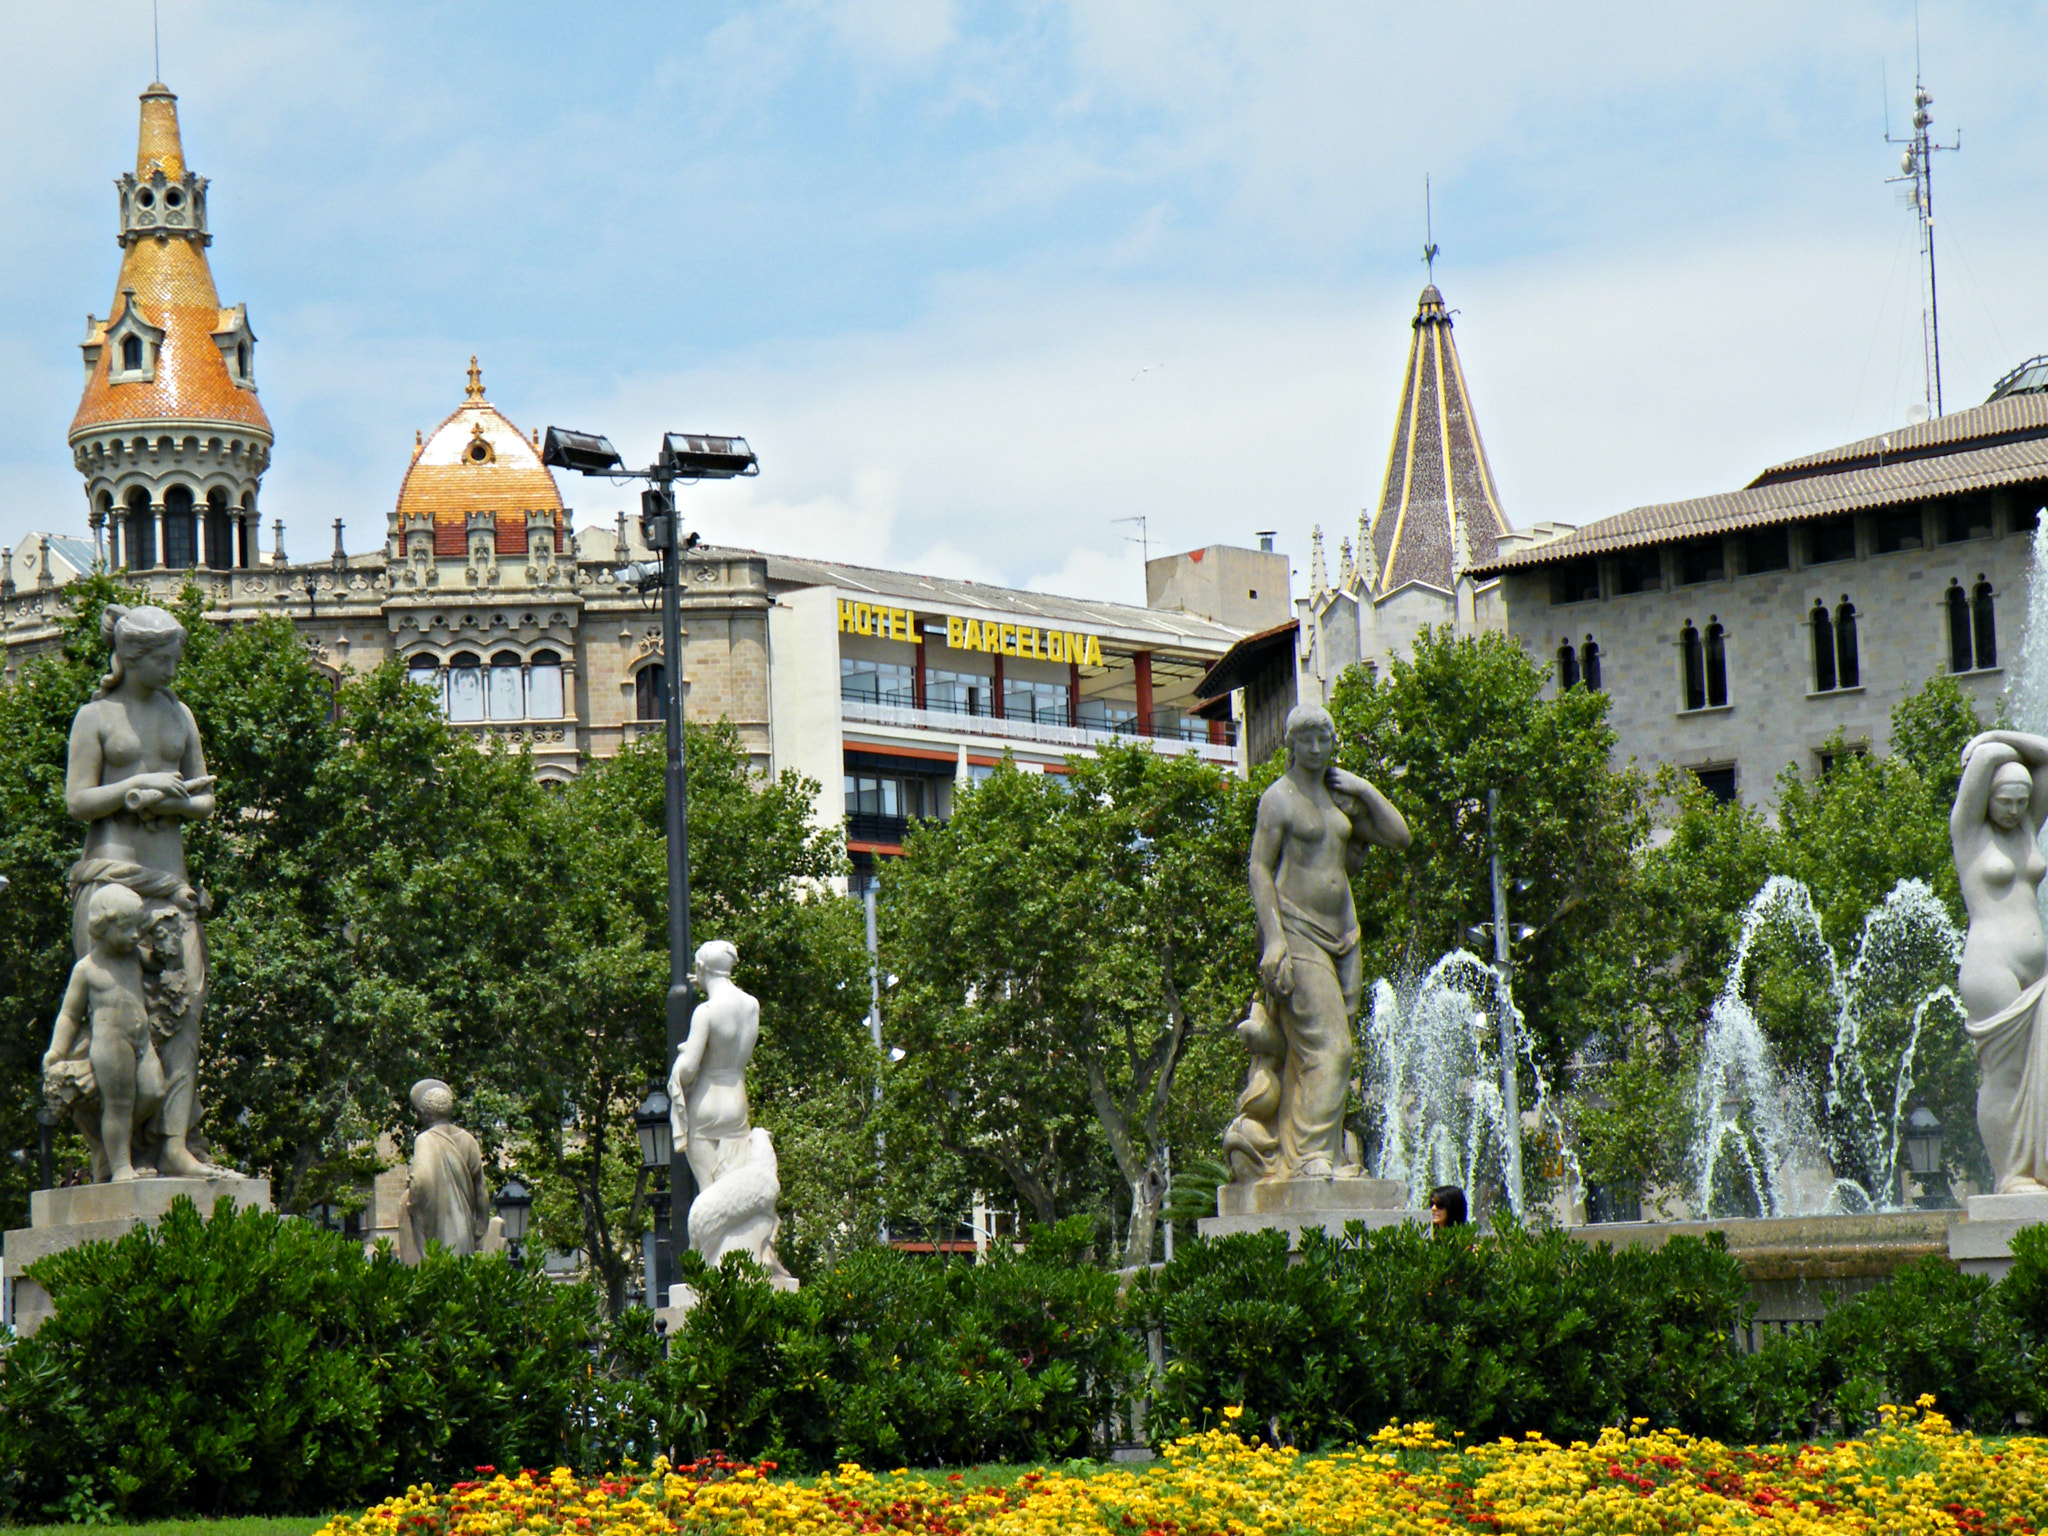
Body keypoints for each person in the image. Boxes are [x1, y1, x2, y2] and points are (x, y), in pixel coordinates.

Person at [64, 604, 230, 1180]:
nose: (172, 669)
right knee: (115, 1016)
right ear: (133, 657)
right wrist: (137, 785)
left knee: (186, 1014)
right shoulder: (96, 716)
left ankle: (176, 1144)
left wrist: (179, 801)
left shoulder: (179, 713)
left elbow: (205, 799)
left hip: (172, 883)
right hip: (111, 880)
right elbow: (77, 802)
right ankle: (116, 1156)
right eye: (163, 659)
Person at [1248, 704, 1410, 1178]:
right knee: (1332, 1048)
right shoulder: (1278, 799)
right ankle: (1311, 1157)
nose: (1316, 749)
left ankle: (1328, 1153)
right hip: (1298, 931)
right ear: (1290, 745)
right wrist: (1273, 939)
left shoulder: (1341, 798)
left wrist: (1364, 788)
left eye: (1324, 739)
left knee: (1326, 1051)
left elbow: (1399, 837)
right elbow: (1259, 867)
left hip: (1345, 936)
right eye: (1306, 740)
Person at [1952, 730, 2048, 1194]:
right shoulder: (1969, 834)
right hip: (1992, 966)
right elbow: (1986, 757)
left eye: (2021, 801)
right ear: (1987, 797)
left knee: (2042, 1074)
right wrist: (1989, 748)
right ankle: (2010, 1175)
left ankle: (2037, 1168)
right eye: (2005, 801)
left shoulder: (2028, 825)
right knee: (2005, 1076)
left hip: (2038, 973)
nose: (2014, 810)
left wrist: (1996, 733)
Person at [43, 884, 168, 1183]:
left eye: (137, 928)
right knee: (120, 1105)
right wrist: (56, 1051)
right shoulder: (87, 969)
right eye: (127, 929)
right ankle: (121, 1165)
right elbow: (69, 1015)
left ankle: (111, 1143)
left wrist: (166, 939)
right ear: (102, 926)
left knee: (153, 1092)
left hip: (141, 1040)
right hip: (111, 1046)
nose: (135, 935)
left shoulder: (133, 955)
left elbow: (156, 962)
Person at [397, 1079, 490, 1260]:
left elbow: (421, 1181)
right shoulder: (468, 1140)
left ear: (424, 1113)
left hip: (436, 1223)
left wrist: (412, 1204)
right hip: (464, 1225)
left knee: (437, 1269)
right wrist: (481, 1227)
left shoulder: (425, 1140)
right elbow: (481, 1188)